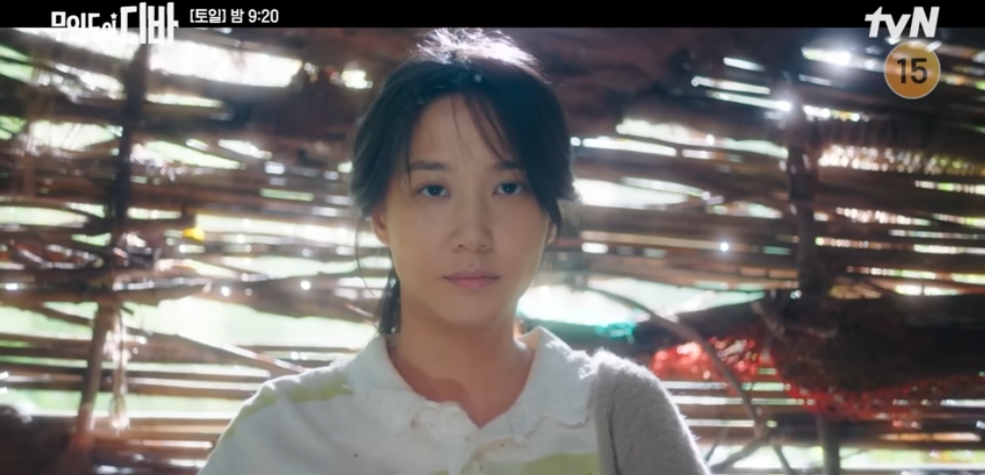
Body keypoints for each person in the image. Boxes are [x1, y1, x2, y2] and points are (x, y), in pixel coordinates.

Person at [199, 29, 709, 475]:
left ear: (550, 217)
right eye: (434, 189)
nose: (473, 234)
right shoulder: (277, 434)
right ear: (381, 216)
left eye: (509, 187)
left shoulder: (617, 413)